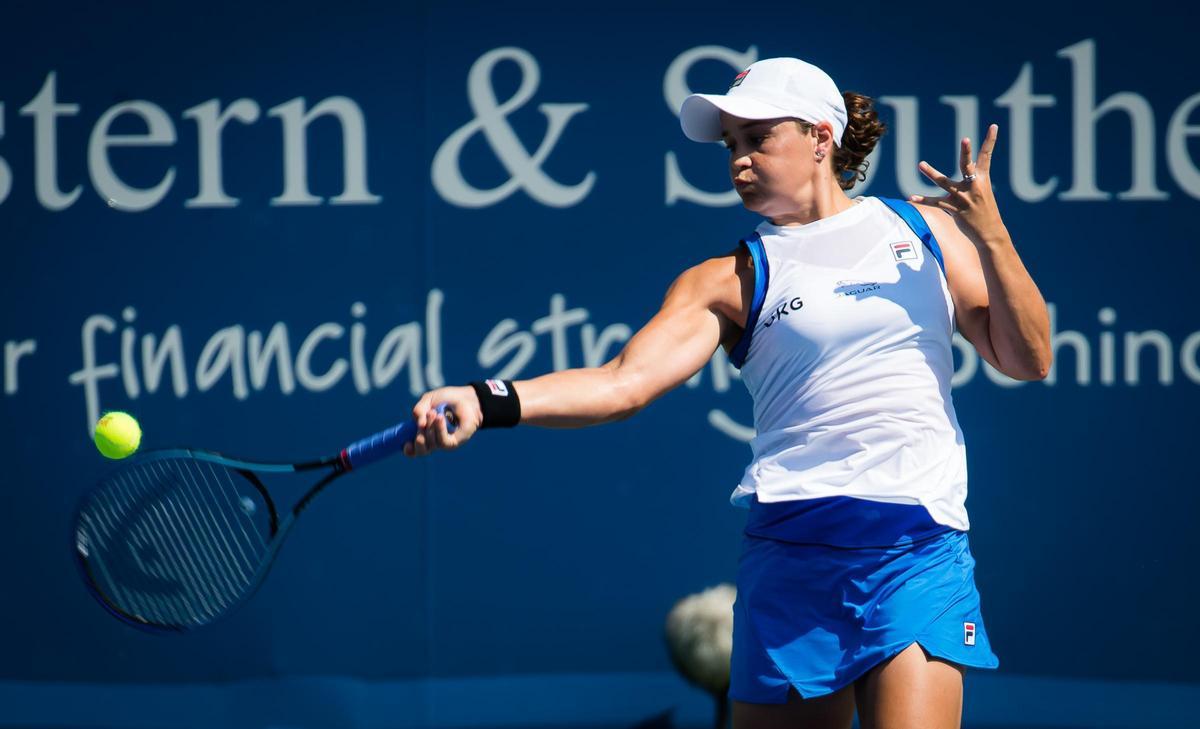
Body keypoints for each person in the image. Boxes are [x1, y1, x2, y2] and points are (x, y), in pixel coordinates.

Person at [403, 57, 1051, 729]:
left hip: (918, 551)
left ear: (820, 137)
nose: (739, 160)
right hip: (794, 560)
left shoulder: (927, 231)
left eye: (758, 137)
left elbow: (1028, 358)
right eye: (731, 145)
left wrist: (993, 234)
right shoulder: (727, 279)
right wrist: (489, 398)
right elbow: (623, 382)